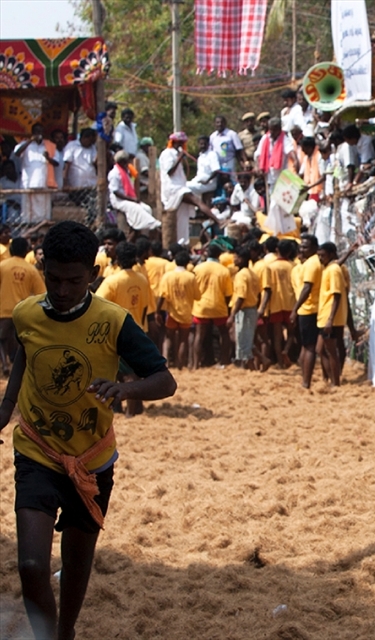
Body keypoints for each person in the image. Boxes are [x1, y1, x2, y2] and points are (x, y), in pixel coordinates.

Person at [0, 220, 176, 640]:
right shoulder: (27, 313)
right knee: (31, 566)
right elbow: (24, 354)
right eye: (54, 279)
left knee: (77, 563)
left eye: (74, 281)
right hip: (36, 452)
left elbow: (165, 380)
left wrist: (124, 388)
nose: (62, 291)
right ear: (43, 269)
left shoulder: (113, 320)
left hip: (92, 461)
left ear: (93, 276)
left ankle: (65, 631)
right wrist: (7, 406)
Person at [95, 241, 157, 416]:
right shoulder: (142, 279)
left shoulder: (112, 281)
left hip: (119, 332)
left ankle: (129, 413)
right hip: (139, 329)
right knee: (131, 373)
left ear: (118, 260)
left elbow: (98, 304)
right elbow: (147, 307)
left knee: (127, 375)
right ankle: (135, 408)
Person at [159, 132, 216, 248]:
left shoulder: (176, 154)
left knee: (183, 219)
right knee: (197, 201)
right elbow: (170, 172)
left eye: (182, 143)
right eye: (179, 143)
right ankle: (218, 220)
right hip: (174, 189)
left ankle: (183, 245)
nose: (181, 145)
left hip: (181, 186)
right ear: (173, 142)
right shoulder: (167, 154)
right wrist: (180, 158)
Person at [0, 237, 46, 374]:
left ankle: (5, 365)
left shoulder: (2, 266)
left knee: (2, 339)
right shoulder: (31, 270)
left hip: (3, 310)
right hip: (22, 312)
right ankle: (16, 367)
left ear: (11, 249)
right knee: (18, 342)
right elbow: (42, 293)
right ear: (27, 251)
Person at [191, 243, 233, 369]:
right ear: (219, 255)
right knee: (224, 334)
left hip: (201, 306)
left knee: (199, 335)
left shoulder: (197, 268)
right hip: (218, 305)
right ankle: (224, 361)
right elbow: (228, 293)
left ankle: (195, 364)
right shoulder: (224, 270)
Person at [259, 239, 297, 369]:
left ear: (277, 250)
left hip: (275, 303)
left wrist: (263, 307)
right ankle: (286, 350)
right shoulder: (293, 266)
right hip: (291, 303)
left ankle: (280, 362)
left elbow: (267, 288)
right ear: (290, 252)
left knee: (276, 337)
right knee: (292, 333)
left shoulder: (270, 267)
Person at [291, 235, 323, 387]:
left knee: (309, 347)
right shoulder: (308, 264)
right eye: (301, 247)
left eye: (306, 247)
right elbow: (305, 288)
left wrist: (295, 309)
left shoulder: (312, 263)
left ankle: (306, 380)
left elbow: (307, 288)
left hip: (310, 309)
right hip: (307, 309)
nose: (302, 250)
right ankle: (305, 380)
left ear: (315, 248)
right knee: (308, 346)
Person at [157, 250, 198, 369]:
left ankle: (166, 363)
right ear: (187, 263)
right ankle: (180, 365)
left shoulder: (167, 276)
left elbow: (162, 296)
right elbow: (197, 295)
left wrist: (157, 311)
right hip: (186, 312)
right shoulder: (191, 277)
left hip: (171, 312)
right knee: (183, 340)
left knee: (168, 337)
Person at [108, 151, 161, 238]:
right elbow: (116, 192)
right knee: (136, 208)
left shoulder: (126, 171)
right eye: (125, 161)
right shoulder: (114, 173)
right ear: (121, 162)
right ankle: (153, 224)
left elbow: (130, 183)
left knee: (147, 208)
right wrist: (132, 199)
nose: (127, 163)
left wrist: (144, 184)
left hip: (128, 198)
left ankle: (143, 233)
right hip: (119, 201)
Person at [227, 244, 262, 370]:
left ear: (241, 259)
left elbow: (241, 297)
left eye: (235, 257)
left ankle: (248, 367)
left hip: (244, 310)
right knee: (245, 339)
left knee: (243, 341)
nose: (234, 260)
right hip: (251, 308)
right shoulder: (252, 273)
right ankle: (255, 362)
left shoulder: (241, 275)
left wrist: (232, 315)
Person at [316, 241, 346, 386]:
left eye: (323, 255)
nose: (320, 259)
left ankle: (335, 382)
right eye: (319, 256)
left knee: (330, 351)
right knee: (320, 349)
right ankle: (330, 379)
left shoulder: (334, 270)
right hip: (325, 316)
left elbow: (337, 294)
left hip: (330, 317)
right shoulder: (329, 268)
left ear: (331, 254)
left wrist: (330, 319)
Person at [15, 124, 59, 223]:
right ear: (32, 133)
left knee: (43, 210)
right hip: (29, 183)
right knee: (28, 211)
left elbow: (57, 163)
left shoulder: (49, 145)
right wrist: (30, 140)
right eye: (36, 131)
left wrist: (48, 158)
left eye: (40, 131)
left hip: (44, 183)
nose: (38, 134)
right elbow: (17, 153)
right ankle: (29, 233)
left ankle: (42, 232)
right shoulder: (25, 145)